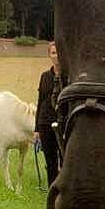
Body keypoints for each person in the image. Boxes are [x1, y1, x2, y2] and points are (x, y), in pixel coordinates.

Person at [34, 40, 62, 185]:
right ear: (49, 56)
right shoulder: (45, 76)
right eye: (53, 53)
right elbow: (40, 101)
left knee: (64, 160)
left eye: (58, 52)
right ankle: (53, 191)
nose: (56, 56)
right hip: (45, 123)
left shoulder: (68, 76)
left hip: (63, 123)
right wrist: (36, 129)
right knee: (51, 162)